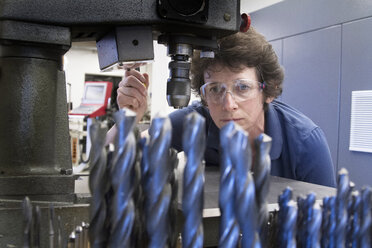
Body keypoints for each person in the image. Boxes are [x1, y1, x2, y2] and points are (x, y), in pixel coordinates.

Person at [107, 27, 336, 187]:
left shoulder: (306, 143)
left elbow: (329, 228)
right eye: (215, 89)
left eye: (242, 88)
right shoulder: (197, 121)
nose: (228, 105)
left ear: (269, 91)